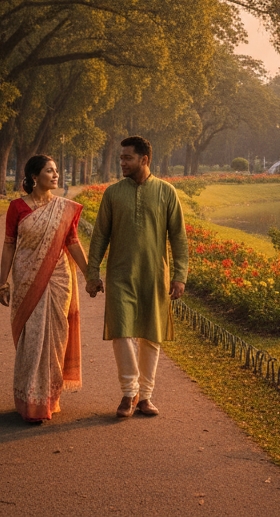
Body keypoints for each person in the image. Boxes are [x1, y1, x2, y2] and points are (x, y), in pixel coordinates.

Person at [86, 135, 188, 418]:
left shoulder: (166, 192)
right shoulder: (113, 193)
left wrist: (180, 276)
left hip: (155, 275)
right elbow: (99, 237)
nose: (122, 163)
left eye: (127, 158)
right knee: (121, 331)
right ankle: (129, 392)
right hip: (120, 275)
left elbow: (179, 237)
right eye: (121, 158)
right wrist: (92, 273)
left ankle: (146, 396)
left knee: (150, 336)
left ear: (144, 159)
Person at [0, 154, 88, 422]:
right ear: (34, 177)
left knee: (56, 337)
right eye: (50, 171)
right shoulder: (17, 207)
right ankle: (29, 400)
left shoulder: (64, 207)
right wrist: (2, 282)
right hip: (26, 278)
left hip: (59, 279)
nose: (56, 175)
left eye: (57, 170)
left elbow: (72, 242)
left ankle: (48, 398)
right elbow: (8, 245)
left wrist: (90, 274)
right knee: (32, 338)